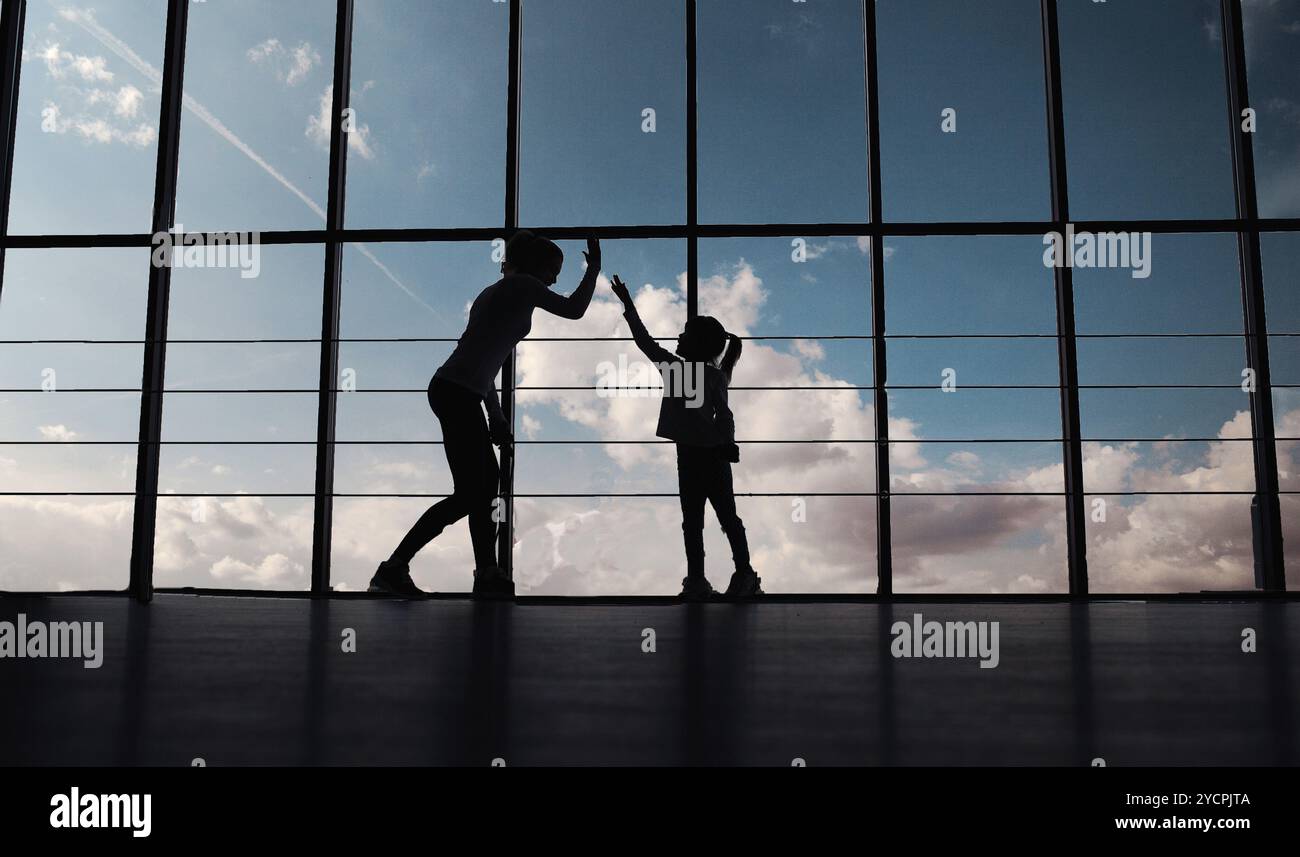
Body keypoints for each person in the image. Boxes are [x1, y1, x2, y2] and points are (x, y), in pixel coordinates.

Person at [371, 232, 602, 598]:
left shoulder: (492, 294)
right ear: (535, 265)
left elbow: (487, 364)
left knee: (480, 489)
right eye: (554, 269)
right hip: (458, 393)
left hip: (456, 390)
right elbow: (574, 309)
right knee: (472, 493)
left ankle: (481, 572)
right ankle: (400, 568)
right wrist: (593, 272)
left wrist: (495, 415)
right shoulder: (524, 285)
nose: (555, 278)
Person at [609, 274, 762, 600]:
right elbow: (724, 415)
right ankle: (742, 573)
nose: (679, 335)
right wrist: (728, 444)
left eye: (686, 333)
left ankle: (702, 579)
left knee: (694, 521)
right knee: (724, 517)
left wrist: (628, 305)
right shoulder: (709, 375)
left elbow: (644, 342)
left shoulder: (677, 369)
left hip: (694, 456)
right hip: (710, 455)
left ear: (697, 343)